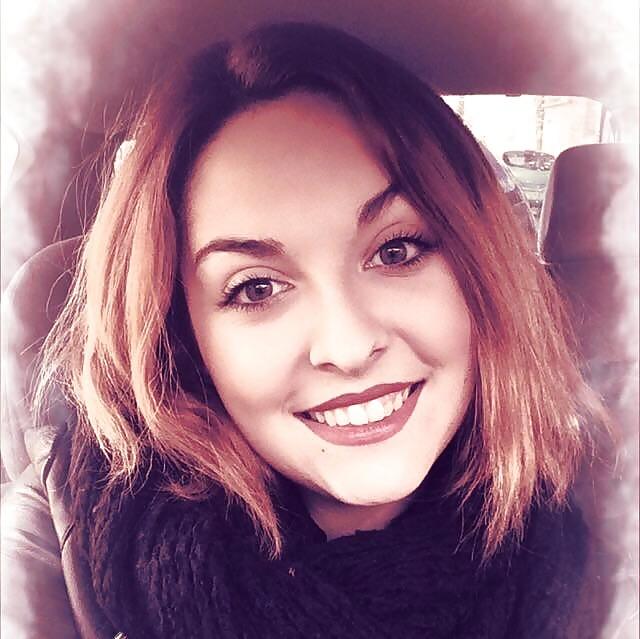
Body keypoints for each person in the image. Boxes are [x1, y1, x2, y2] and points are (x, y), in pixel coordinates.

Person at [1, 21, 607, 639]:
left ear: (481, 268)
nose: (348, 347)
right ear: (181, 338)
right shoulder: (54, 559)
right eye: (256, 289)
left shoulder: (611, 524)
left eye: (396, 251)